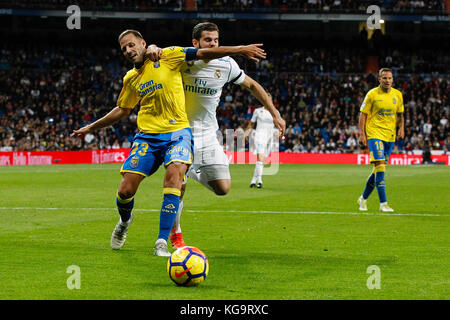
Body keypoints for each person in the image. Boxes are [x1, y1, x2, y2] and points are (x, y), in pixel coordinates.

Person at [71, 29, 267, 256]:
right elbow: (123, 109)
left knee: (174, 179)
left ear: (143, 43)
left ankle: (162, 241)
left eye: (132, 45)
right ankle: (125, 221)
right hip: (147, 137)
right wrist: (92, 126)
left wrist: (240, 50)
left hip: (178, 133)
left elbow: (204, 53)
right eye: (124, 48)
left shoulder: (169, 56)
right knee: (125, 190)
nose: (128, 50)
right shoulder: (131, 78)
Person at [146, 22, 285, 248]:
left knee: (223, 188)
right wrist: (152, 46)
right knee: (177, 186)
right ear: (196, 43)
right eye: (208, 40)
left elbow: (252, 85)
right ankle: (175, 233)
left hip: (209, 134)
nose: (212, 44)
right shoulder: (181, 59)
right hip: (180, 133)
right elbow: (151, 54)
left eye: (216, 40)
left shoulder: (226, 64)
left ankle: (190, 174)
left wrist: (275, 113)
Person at [357, 67, 404, 212]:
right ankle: (383, 203)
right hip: (375, 134)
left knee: (377, 169)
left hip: (390, 136)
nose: (387, 81)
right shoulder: (372, 94)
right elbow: (363, 115)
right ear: (379, 79)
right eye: (384, 78)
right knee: (381, 168)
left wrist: (401, 128)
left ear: (393, 80)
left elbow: (400, 114)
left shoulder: (398, 95)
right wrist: (362, 134)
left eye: (389, 78)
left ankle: (363, 199)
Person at [246, 94, 279, 188]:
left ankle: (253, 180)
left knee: (262, 160)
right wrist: (246, 133)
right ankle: (260, 181)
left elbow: (279, 124)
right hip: (259, 136)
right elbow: (251, 124)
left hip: (270, 137)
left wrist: (280, 131)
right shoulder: (257, 111)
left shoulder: (275, 112)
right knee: (260, 157)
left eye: (269, 99)